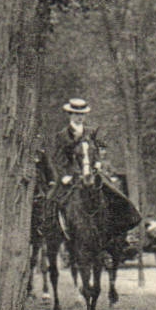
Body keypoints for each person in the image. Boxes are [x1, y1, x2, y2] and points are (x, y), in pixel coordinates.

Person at [50, 99, 140, 257]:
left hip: (92, 174)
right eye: (76, 114)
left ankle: (119, 235)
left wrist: (97, 164)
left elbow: (97, 152)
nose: (79, 118)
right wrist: (66, 175)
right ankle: (55, 234)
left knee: (115, 194)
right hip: (71, 177)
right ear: (70, 115)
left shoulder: (91, 132)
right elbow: (58, 158)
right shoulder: (62, 135)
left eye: (82, 115)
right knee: (53, 202)